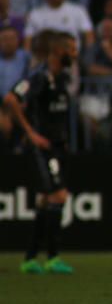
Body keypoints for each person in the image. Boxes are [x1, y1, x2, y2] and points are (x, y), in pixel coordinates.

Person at [5, 32, 78, 274]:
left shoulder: (62, 78)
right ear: (58, 52)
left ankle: (29, 259)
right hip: (42, 147)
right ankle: (53, 256)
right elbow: (11, 98)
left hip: (58, 146)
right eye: (72, 50)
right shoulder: (38, 77)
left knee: (45, 200)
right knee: (59, 196)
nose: (75, 55)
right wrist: (30, 132)